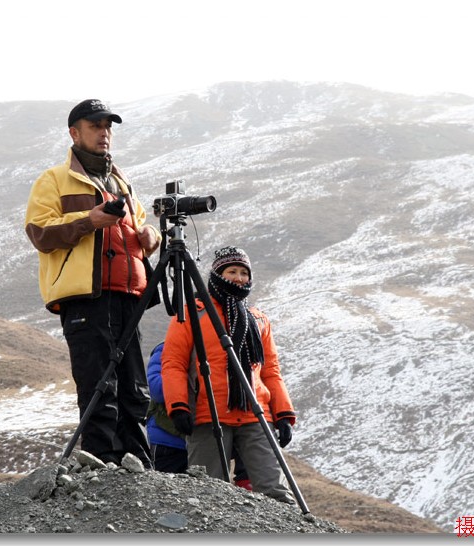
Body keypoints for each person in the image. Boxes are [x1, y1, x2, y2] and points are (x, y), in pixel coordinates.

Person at [24, 99, 162, 468]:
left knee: (134, 386)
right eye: (95, 126)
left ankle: (138, 465)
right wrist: (89, 220)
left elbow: (140, 226)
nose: (104, 133)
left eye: (108, 126)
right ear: (75, 132)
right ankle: (103, 462)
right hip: (85, 296)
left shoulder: (121, 182)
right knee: (99, 383)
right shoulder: (53, 180)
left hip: (128, 295)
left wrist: (151, 236)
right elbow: (39, 233)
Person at [161, 246, 296, 503]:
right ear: (217, 274)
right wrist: (178, 406)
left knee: (276, 492)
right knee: (209, 495)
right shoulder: (192, 312)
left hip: (256, 414)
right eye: (232, 271)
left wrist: (283, 414)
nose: (238, 278)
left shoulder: (259, 320)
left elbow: (270, 372)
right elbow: (173, 363)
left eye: (244, 272)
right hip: (207, 413)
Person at [146, 341, 253, 489]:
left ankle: (249, 489)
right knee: (169, 495)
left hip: (209, 439)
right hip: (170, 443)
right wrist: (191, 375)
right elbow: (157, 390)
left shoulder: (223, 349)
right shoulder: (167, 349)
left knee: (212, 491)